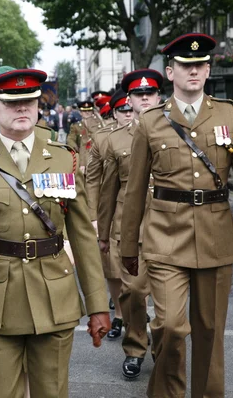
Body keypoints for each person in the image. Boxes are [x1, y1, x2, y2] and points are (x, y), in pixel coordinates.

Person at [0, 66, 110, 398]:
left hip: (54, 297)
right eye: (11, 102)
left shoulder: (62, 159)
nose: (22, 109)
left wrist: (98, 303)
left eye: (29, 102)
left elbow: (83, 237)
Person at [120, 33, 233, 398]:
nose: (194, 70)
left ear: (208, 70)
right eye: (186, 65)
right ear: (170, 72)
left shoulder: (228, 113)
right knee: (171, 326)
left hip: (215, 232)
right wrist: (128, 246)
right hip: (164, 233)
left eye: (201, 65)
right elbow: (135, 188)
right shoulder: (151, 121)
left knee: (209, 329)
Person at [98, 69, 163, 379]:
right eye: (139, 95)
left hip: (169, 228)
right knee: (134, 293)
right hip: (130, 230)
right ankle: (135, 347)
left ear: (159, 96)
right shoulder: (115, 140)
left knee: (168, 301)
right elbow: (108, 191)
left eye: (151, 93)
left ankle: (165, 350)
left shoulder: (176, 129)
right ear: (130, 101)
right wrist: (102, 234)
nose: (146, 98)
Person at [84, 89, 131, 342]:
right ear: (114, 113)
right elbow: (92, 180)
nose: (127, 115)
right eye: (123, 111)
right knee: (113, 268)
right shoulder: (103, 138)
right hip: (112, 211)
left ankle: (139, 311)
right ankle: (121, 314)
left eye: (130, 110)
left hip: (149, 211)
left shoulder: (153, 132)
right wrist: (94, 216)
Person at [67, 99, 105, 175]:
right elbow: (70, 139)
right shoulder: (76, 126)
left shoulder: (99, 123)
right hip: (82, 156)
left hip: (96, 155)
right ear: (80, 112)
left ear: (92, 111)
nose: (87, 113)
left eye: (89, 111)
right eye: (84, 111)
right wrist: (75, 148)